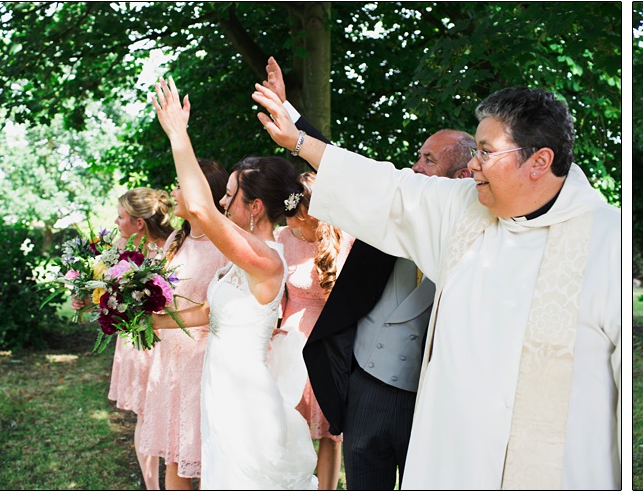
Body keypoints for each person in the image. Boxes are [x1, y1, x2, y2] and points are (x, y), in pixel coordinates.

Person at [252, 83, 622, 489]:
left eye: (486, 150)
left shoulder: (607, 242)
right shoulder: (462, 209)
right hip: (452, 465)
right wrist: (300, 139)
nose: (474, 164)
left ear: (539, 161)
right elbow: (387, 189)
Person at [259, 57, 478, 490]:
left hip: (436, 398)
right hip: (368, 387)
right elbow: (350, 172)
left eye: (428, 160)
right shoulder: (393, 206)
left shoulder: (477, 224)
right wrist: (293, 120)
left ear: (462, 175)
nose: (414, 168)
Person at [150, 77, 317, 489]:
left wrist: (178, 134)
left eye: (229, 196)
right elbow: (210, 313)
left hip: (246, 402)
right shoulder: (237, 263)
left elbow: (199, 209)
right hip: (220, 391)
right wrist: (147, 318)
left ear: (255, 207)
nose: (223, 202)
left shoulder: (265, 259)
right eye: (223, 196)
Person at [137, 159, 231, 490]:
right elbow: (156, 291)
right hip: (170, 361)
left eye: (179, 185)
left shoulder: (225, 242)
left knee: (205, 456)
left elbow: (216, 309)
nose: (172, 192)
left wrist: (159, 321)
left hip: (203, 362)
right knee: (174, 457)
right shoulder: (176, 237)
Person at [275, 170, 356, 490]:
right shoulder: (282, 238)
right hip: (290, 343)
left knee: (330, 434)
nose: (290, 221)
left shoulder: (344, 238)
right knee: (286, 429)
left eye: (296, 216)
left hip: (332, 345)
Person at [99, 187, 175, 489]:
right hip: (135, 342)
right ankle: (152, 488)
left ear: (139, 222)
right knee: (145, 415)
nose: (116, 222)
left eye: (121, 217)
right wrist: (85, 299)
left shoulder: (174, 244)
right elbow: (100, 294)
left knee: (170, 412)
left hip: (169, 339)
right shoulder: (118, 248)